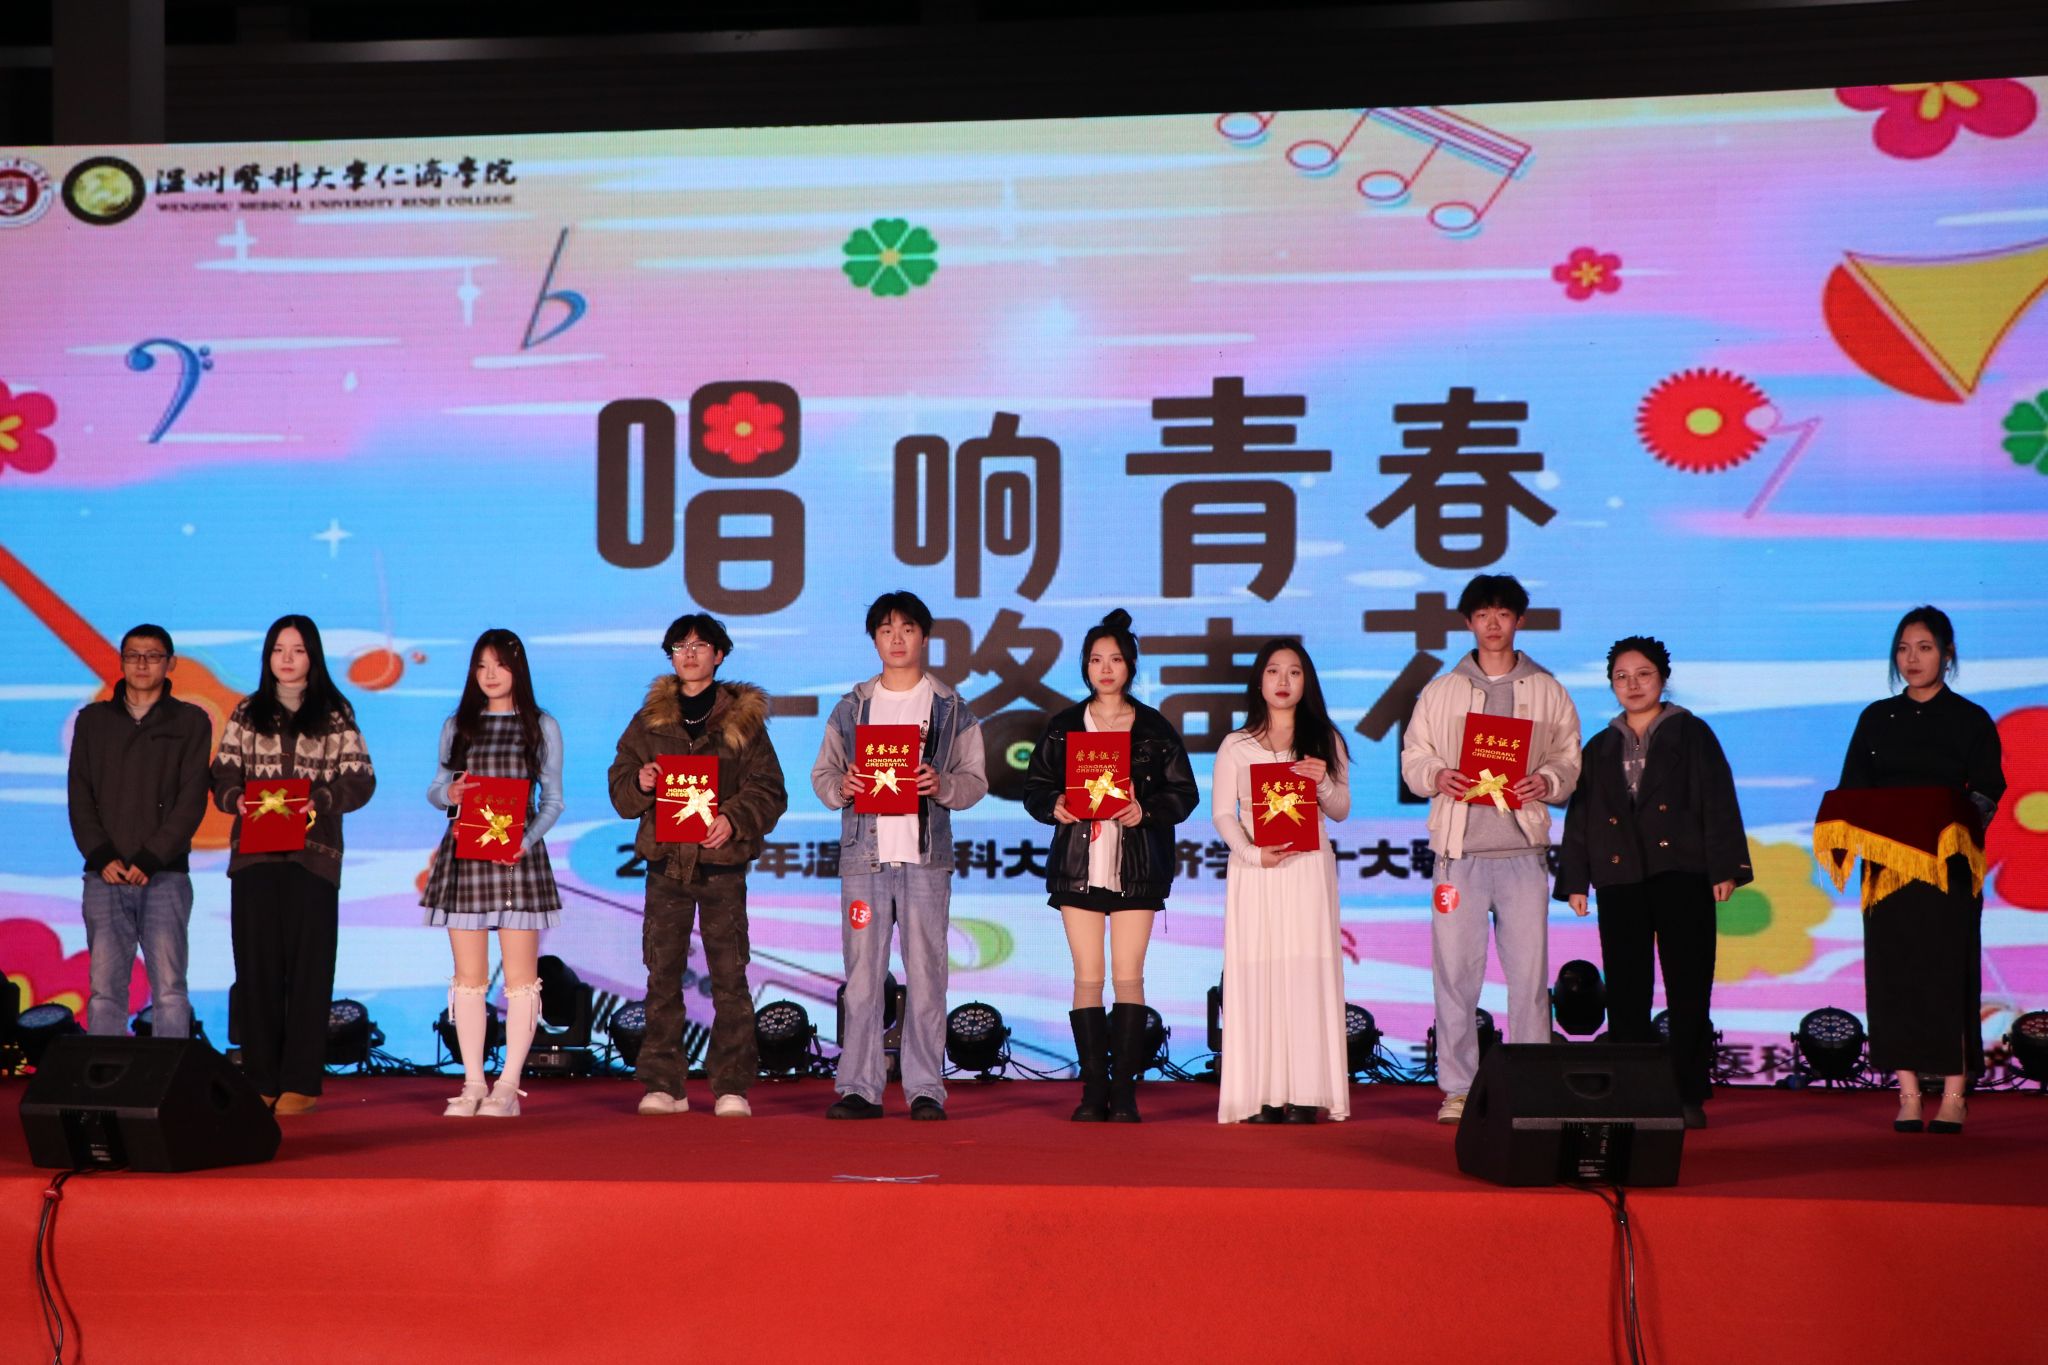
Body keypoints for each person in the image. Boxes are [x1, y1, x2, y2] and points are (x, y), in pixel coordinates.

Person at [1402, 574, 1581, 1125]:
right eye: (1483, 614)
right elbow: (1413, 758)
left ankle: (1529, 1085)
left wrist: (1547, 781)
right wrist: (1438, 774)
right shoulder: (1442, 690)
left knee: (1528, 979)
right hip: (1459, 856)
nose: (1493, 624)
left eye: (1504, 613)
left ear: (1519, 620)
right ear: (1468, 622)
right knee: (1455, 976)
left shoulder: (1547, 689)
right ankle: (1459, 1087)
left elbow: (1569, 760)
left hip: (1523, 854)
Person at [1554, 636, 1751, 1129]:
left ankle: (1687, 1092)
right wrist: (1576, 879)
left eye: (1643, 674)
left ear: (1663, 678)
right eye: (1621, 677)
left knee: (1689, 987)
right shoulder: (1599, 746)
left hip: (1682, 872)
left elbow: (1719, 800)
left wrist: (1724, 867)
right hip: (1620, 877)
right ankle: (1632, 1092)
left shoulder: (1692, 733)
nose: (1633, 685)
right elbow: (1582, 816)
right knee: (1625, 990)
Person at [810, 590, 986, 1120]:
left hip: (924, 860)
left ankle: (925, 1088)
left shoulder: (951, 708)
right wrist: (841, 787)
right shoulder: (851, 707)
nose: (897, 639)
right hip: (864, 862)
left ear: (924, 637)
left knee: (927, 975)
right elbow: (823, 774)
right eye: (886, 630)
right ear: (874, 639)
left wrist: (942, 785)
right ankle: (860, 1088)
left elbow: (976, 780)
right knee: (863, 979)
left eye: (907, 628)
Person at [1021, 609, 1199, 1122]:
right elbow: (1035, 788)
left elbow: (1184, 793)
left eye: (1115, 660)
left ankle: (1124, 1091)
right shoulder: (1064, 727)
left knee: (1128, 976)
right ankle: (1092, 1087)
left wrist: (1147, 810)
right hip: (1079, 867)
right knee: (1087, 976)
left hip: (1136, 868)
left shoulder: (1154, 728)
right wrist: (1054, 803)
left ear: (1131, 667)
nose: (1105, 669)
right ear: (1085, 666)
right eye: (1096, 660)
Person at [608, 612, 788, 1118]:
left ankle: (732, 1085)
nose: (689, 654)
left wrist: (733, 818)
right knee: (661, 975)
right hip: (666, 865)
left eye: (699, 646)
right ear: (670, 657)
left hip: (721, 866)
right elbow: (620, 787)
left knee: (730, 978)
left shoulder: (743, 721)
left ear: (719, 655)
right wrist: (641, 782)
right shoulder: (649, 720)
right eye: (679, 647)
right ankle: (665, 1084)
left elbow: (770, 790)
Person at [1836, 606, 2004, 1135]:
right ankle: (1907, 1092)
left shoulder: (1970, 719)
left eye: (1925, 648)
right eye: (1904, 649)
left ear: (1947, 654)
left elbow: (1987, 789)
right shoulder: (1875, 718)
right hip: (1887, 870)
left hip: (1948, 869)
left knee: (1948, 973)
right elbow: (1854, 791)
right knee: (1893, 975)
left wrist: (1945, 829)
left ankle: (1954, 1093)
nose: (1912, 658)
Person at [210, 615, 376, 1115]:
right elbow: (222, 774)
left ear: (313, 657)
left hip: (313, 858)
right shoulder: (247, 711)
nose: (286, 659)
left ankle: (301, 1082)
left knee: (310, 971)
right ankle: (261, 1077)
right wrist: (237, 799)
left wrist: (319, 800)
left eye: (297, 650)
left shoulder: (334, 712)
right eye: (278, 649)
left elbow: (361, 779)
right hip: (255, 858)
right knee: (256, 969)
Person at [1211, 638, 1353, 1125]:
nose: (1283, 681)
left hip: (1308, 868)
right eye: (1274, 671)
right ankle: (1261, 1095)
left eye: (1294, 672)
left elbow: (1341, 809)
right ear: (1259, 681)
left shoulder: (1324, 739)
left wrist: (1322, 782)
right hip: (1256, 870)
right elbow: (1223, 813)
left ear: (1306, 682)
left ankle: (1306, 1092)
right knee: (1258, 974)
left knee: (1305, 973)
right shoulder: (1236, 744)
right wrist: (1252, 853)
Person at [424, 629, 565, 1118]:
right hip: (466, 857)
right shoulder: (458, 725)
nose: (490, 674)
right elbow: (437, 788)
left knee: (522, 980)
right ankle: (472, 1083)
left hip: (517, 861)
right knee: (469, 979)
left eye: (500, 665)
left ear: (517, 670)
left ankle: (507, 1087)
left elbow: (553, 800)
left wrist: (525, 841)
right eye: (481, 665)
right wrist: (450, 795)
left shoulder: (540, 726)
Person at [66, 624, 212, 1039]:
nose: (142, 664)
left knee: (169, 991)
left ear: (171, 664)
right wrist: (100, 855)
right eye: (133, 655)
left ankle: (169, 1079)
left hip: (164, 875)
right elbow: (80, 793)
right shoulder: (94, 720)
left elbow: (191, 800)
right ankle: (104, 1076)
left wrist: (152, 857)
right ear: (122, 662)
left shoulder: (190, 721)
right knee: (104, 993)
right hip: (105, 875)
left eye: (153, 656)